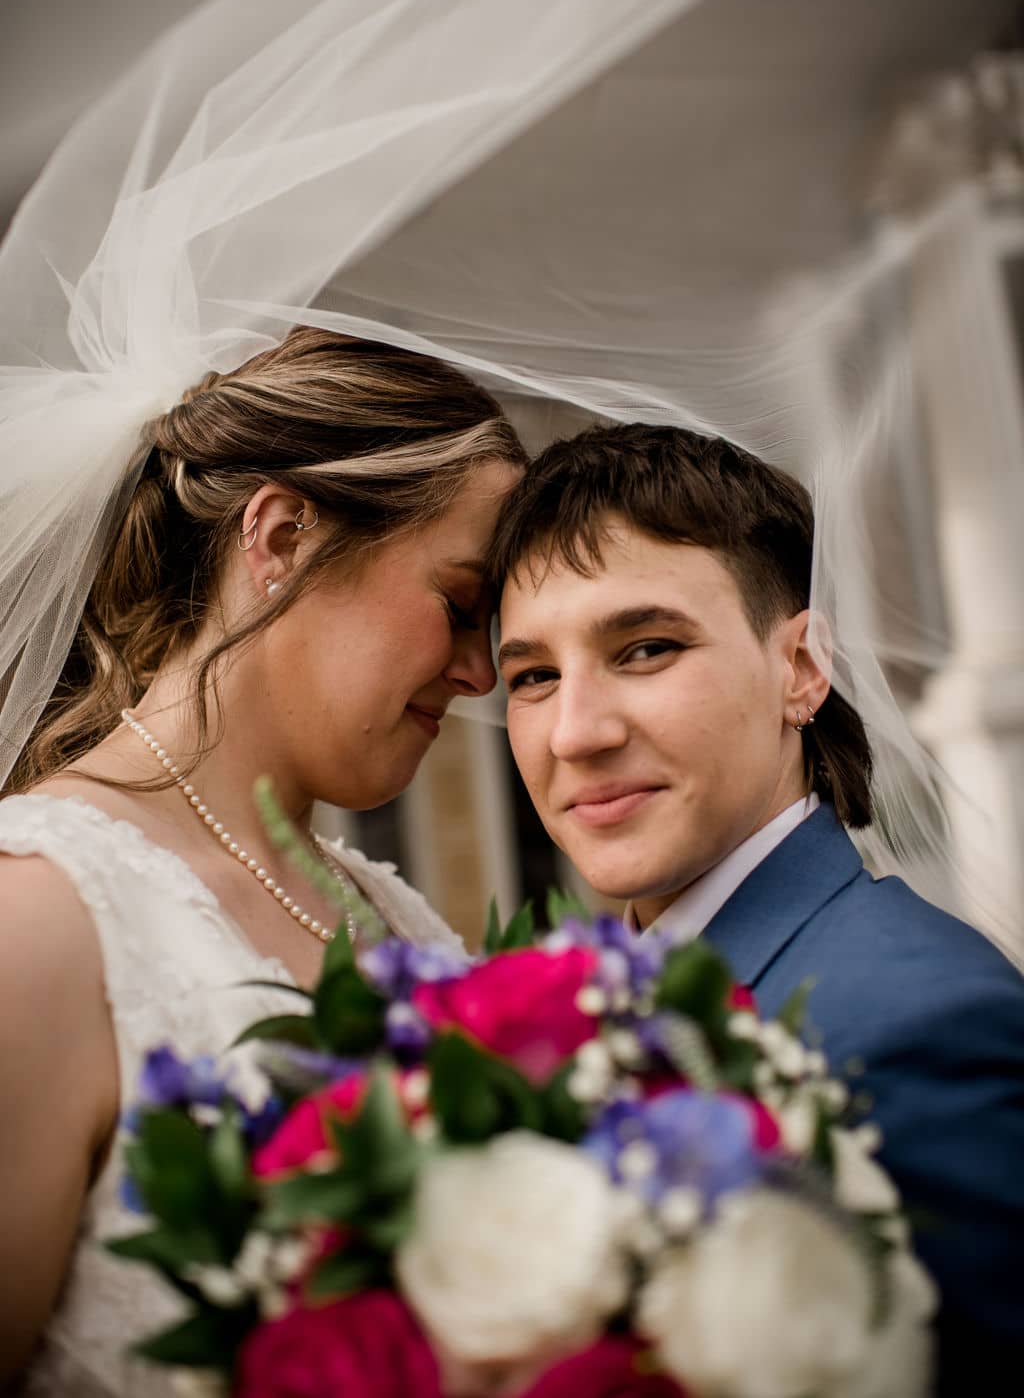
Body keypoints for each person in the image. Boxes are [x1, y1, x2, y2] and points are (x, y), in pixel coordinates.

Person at [0, 327, 525, 1392]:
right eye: (460, 605)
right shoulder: (41, 918)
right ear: (281, 535)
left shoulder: (393, 917)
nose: (481, 673)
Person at [490, 421, 1024, 1394]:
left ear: (801, 667)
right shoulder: (579, 1012)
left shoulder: (917, 1021)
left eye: (644, 648)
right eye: (533, 675)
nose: (575, 731)